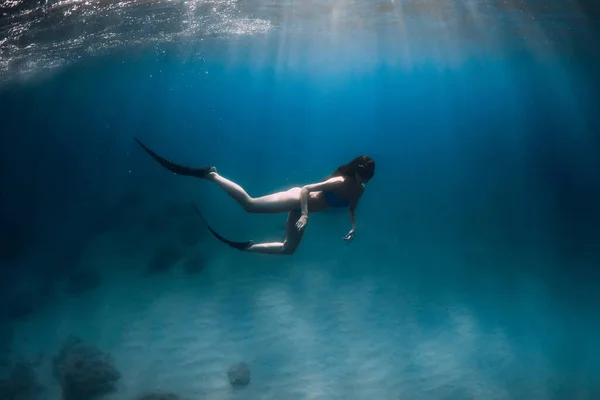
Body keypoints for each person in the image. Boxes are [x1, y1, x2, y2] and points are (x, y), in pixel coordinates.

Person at [134, 137, 375, 255]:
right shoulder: (340, 181)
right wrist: (304, 213)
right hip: (297, 201)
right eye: (361, 176)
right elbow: (305, 190)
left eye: (366, 179)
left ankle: (246, 247)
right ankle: (212, 175)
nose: (363, 181)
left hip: (303, 213)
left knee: (288, 249)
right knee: (249, 205)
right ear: (355, 171)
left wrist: (353, 227)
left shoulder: (359, 190)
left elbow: (351, 208)